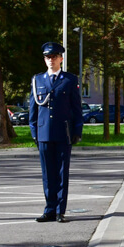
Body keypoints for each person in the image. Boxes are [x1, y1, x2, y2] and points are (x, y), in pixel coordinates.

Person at [29, 42, 83, 222]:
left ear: (61, 58)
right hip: (44, 133)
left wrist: (77, 130)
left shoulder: (69, 80)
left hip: (63, 132)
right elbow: (33, 111)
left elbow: (76, 108)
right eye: (47, 57)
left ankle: (60, 210)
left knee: (61, 173)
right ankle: (49, 208)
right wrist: (34, 132)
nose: (50, 60)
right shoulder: (38, 80)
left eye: (54, 57)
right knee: (47, 173)